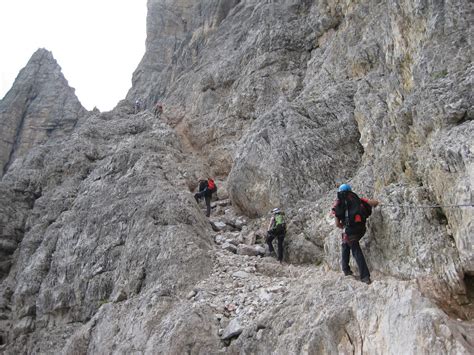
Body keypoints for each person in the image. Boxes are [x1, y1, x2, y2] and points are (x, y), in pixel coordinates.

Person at [332, 184, 379, 284]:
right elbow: (373, 203)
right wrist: (378, 202)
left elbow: (337, 224)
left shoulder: (338, 204)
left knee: (354, 248)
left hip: (349, 230)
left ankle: (365, 277)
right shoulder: (357, 200)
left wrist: (344, 227)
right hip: (360, 228)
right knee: (346, 243)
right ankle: (346, 269)